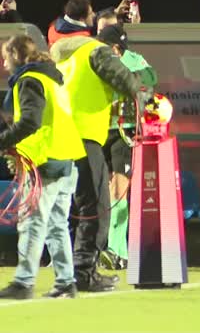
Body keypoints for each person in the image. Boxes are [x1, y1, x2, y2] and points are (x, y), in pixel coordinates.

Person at [50, 26, 149, 292]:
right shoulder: (97, 52)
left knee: (67, 208)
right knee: (96, 206)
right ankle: (84, 272)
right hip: (85, 136)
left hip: (60, 137)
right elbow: (127, 82)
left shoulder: (67, 58)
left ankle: (66, 272)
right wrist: (142, 90)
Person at [0, 35, 85, 299]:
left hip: (45, 158)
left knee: (32, 221)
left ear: (15, 56)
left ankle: (24, 282)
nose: (4, 64)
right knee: (57, 223)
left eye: (5, 58)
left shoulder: (29, 80)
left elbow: (30, 122)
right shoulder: (51, 77)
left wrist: (4, 141)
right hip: (67, 157)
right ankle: (66, 282)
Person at [96, 24, 158, 271]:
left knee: (119, 189)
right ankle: (114, 250)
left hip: (125, 130)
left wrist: (128, 81)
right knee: (104, 190)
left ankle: (116, 249)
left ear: (115, 48)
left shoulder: (135, 60)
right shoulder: (97, 61)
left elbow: (151, 79)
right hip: (99, 130)